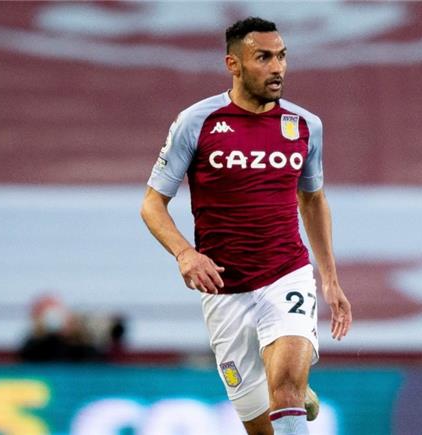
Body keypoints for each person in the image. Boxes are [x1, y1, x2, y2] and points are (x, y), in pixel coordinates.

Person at [140, 17, 352, 435]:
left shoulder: (305, 125)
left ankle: (289, 384)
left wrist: (329, 279)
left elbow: (312, 200)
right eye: (264, 58)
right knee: (261, 427)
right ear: (233, 65)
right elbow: (152, 204)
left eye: (282, 57)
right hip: (225, 289)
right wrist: (185, 254)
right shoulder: (197, 122)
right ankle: (286, 388)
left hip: (286, 273)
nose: (277, 68)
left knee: (286, 390)